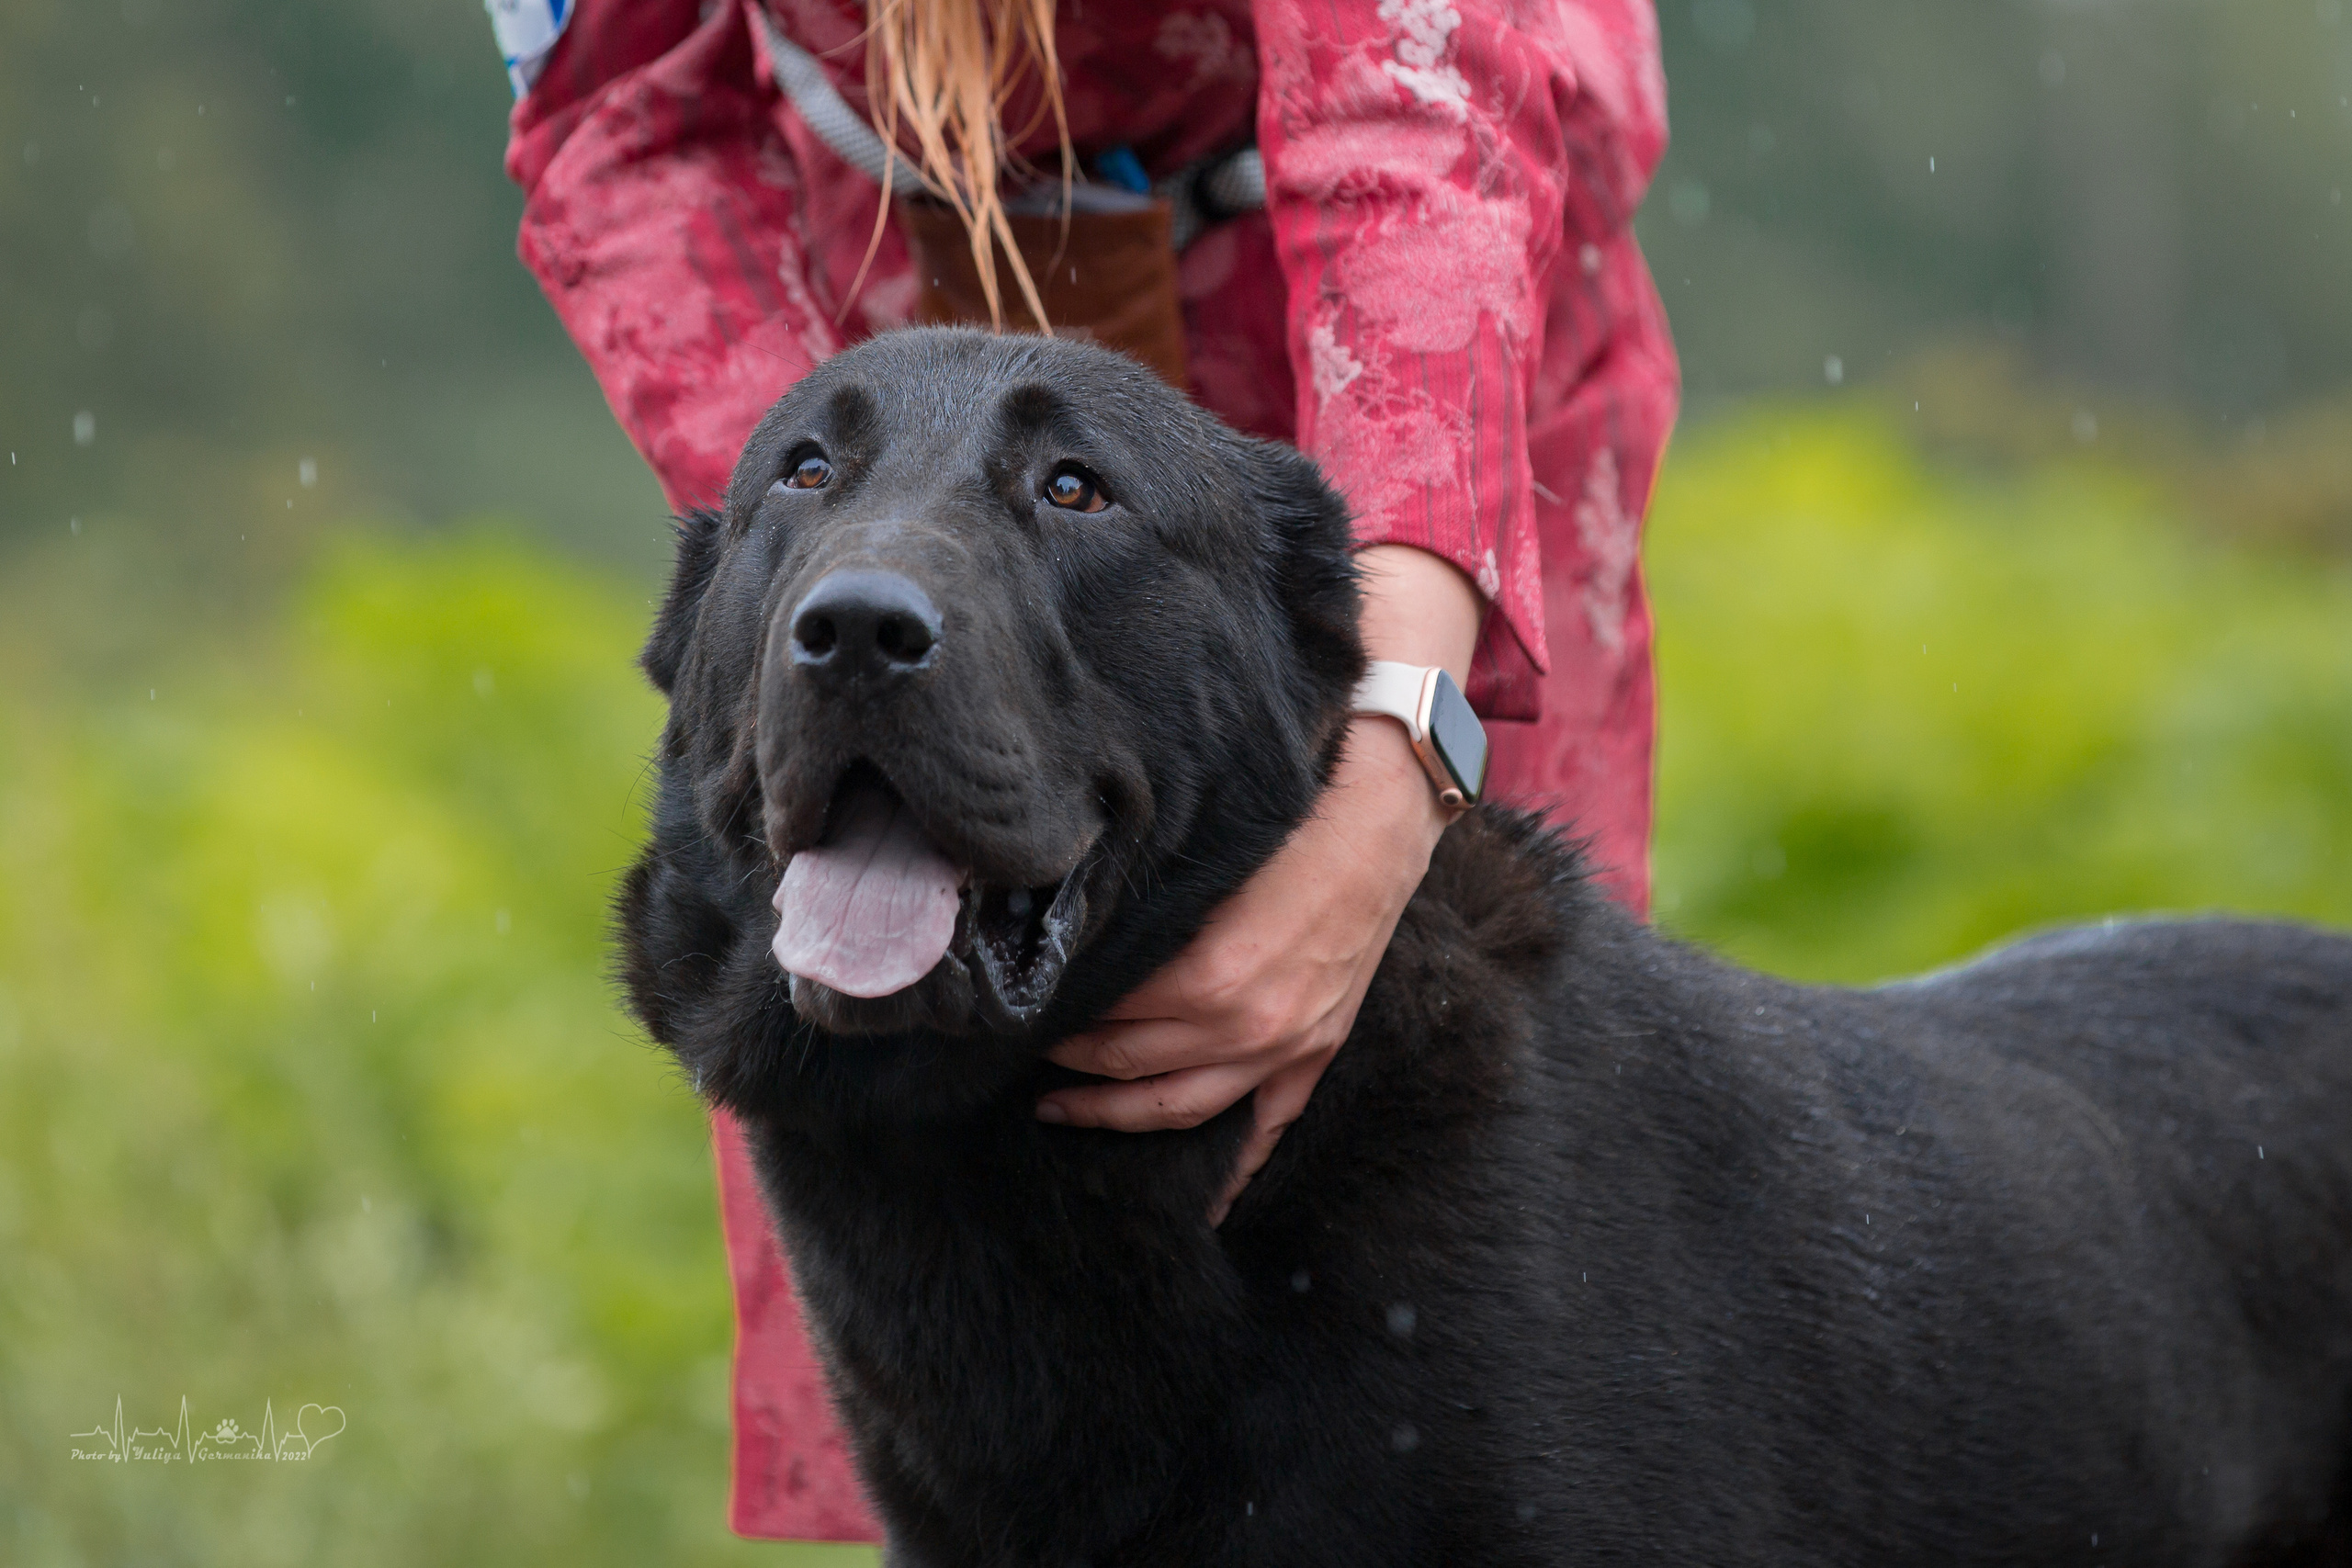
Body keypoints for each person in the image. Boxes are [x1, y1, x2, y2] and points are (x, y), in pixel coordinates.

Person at [496, 0, 1677, 1541]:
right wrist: (850, 554)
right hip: (880, 304)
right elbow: (622, 104)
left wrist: (1393, 776)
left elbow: (1411, 110)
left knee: (1486, 1266)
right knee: (941, 1312)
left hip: (1407, 344)